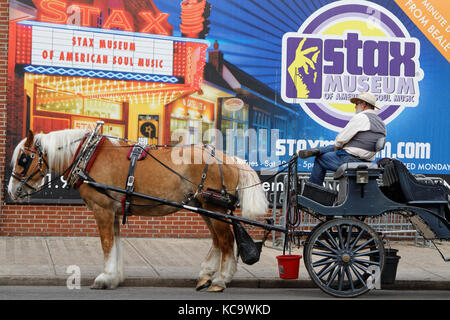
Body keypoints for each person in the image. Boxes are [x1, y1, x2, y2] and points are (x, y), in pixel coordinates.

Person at [298, 92, 386, 186]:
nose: (355, 107)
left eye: (357, 104)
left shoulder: (361, 117)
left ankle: (312, 193)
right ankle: (316, 150)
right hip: (367, 160)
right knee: (337, 147)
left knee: (320, 159)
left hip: (350, 159)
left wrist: (337, 147)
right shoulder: (381, 123)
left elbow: (341, 139)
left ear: (363, 104)